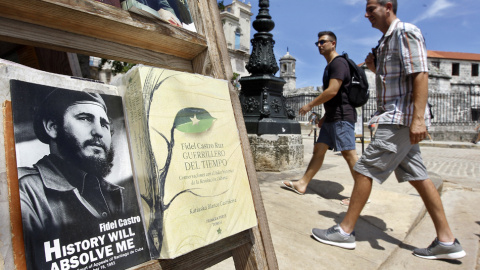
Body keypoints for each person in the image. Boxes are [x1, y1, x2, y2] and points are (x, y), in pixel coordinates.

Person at [311, 0, 466, 260]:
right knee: (419, 177)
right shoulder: (386, 40)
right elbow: (397, 78)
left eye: (371, 8)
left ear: (388, 7)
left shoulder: (405, 31)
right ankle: (447, 240)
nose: (366, 14)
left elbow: (420, 74)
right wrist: (375, 68)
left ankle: (345, 230)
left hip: (400, 118)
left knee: (364, 170)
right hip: (398, 116)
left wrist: (418, 119)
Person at [18, 90, 128, 269]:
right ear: (53, 127)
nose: (99, 132)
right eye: (85, 118)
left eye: (105, 124)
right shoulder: (23, 191)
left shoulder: (113, 192)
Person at [282, 31, 358, 196]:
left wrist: (310, 105)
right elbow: (335, 96)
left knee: (349, 154)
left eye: (323, 42)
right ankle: (302, 184)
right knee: (319, 150)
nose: (319, 45)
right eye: (318, 43)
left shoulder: (339, 63)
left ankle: (361, 194)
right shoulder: (330, 65)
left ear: (333, 43)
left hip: (342, 117)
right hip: (332, 117)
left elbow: (332, 91)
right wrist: (324, 117)